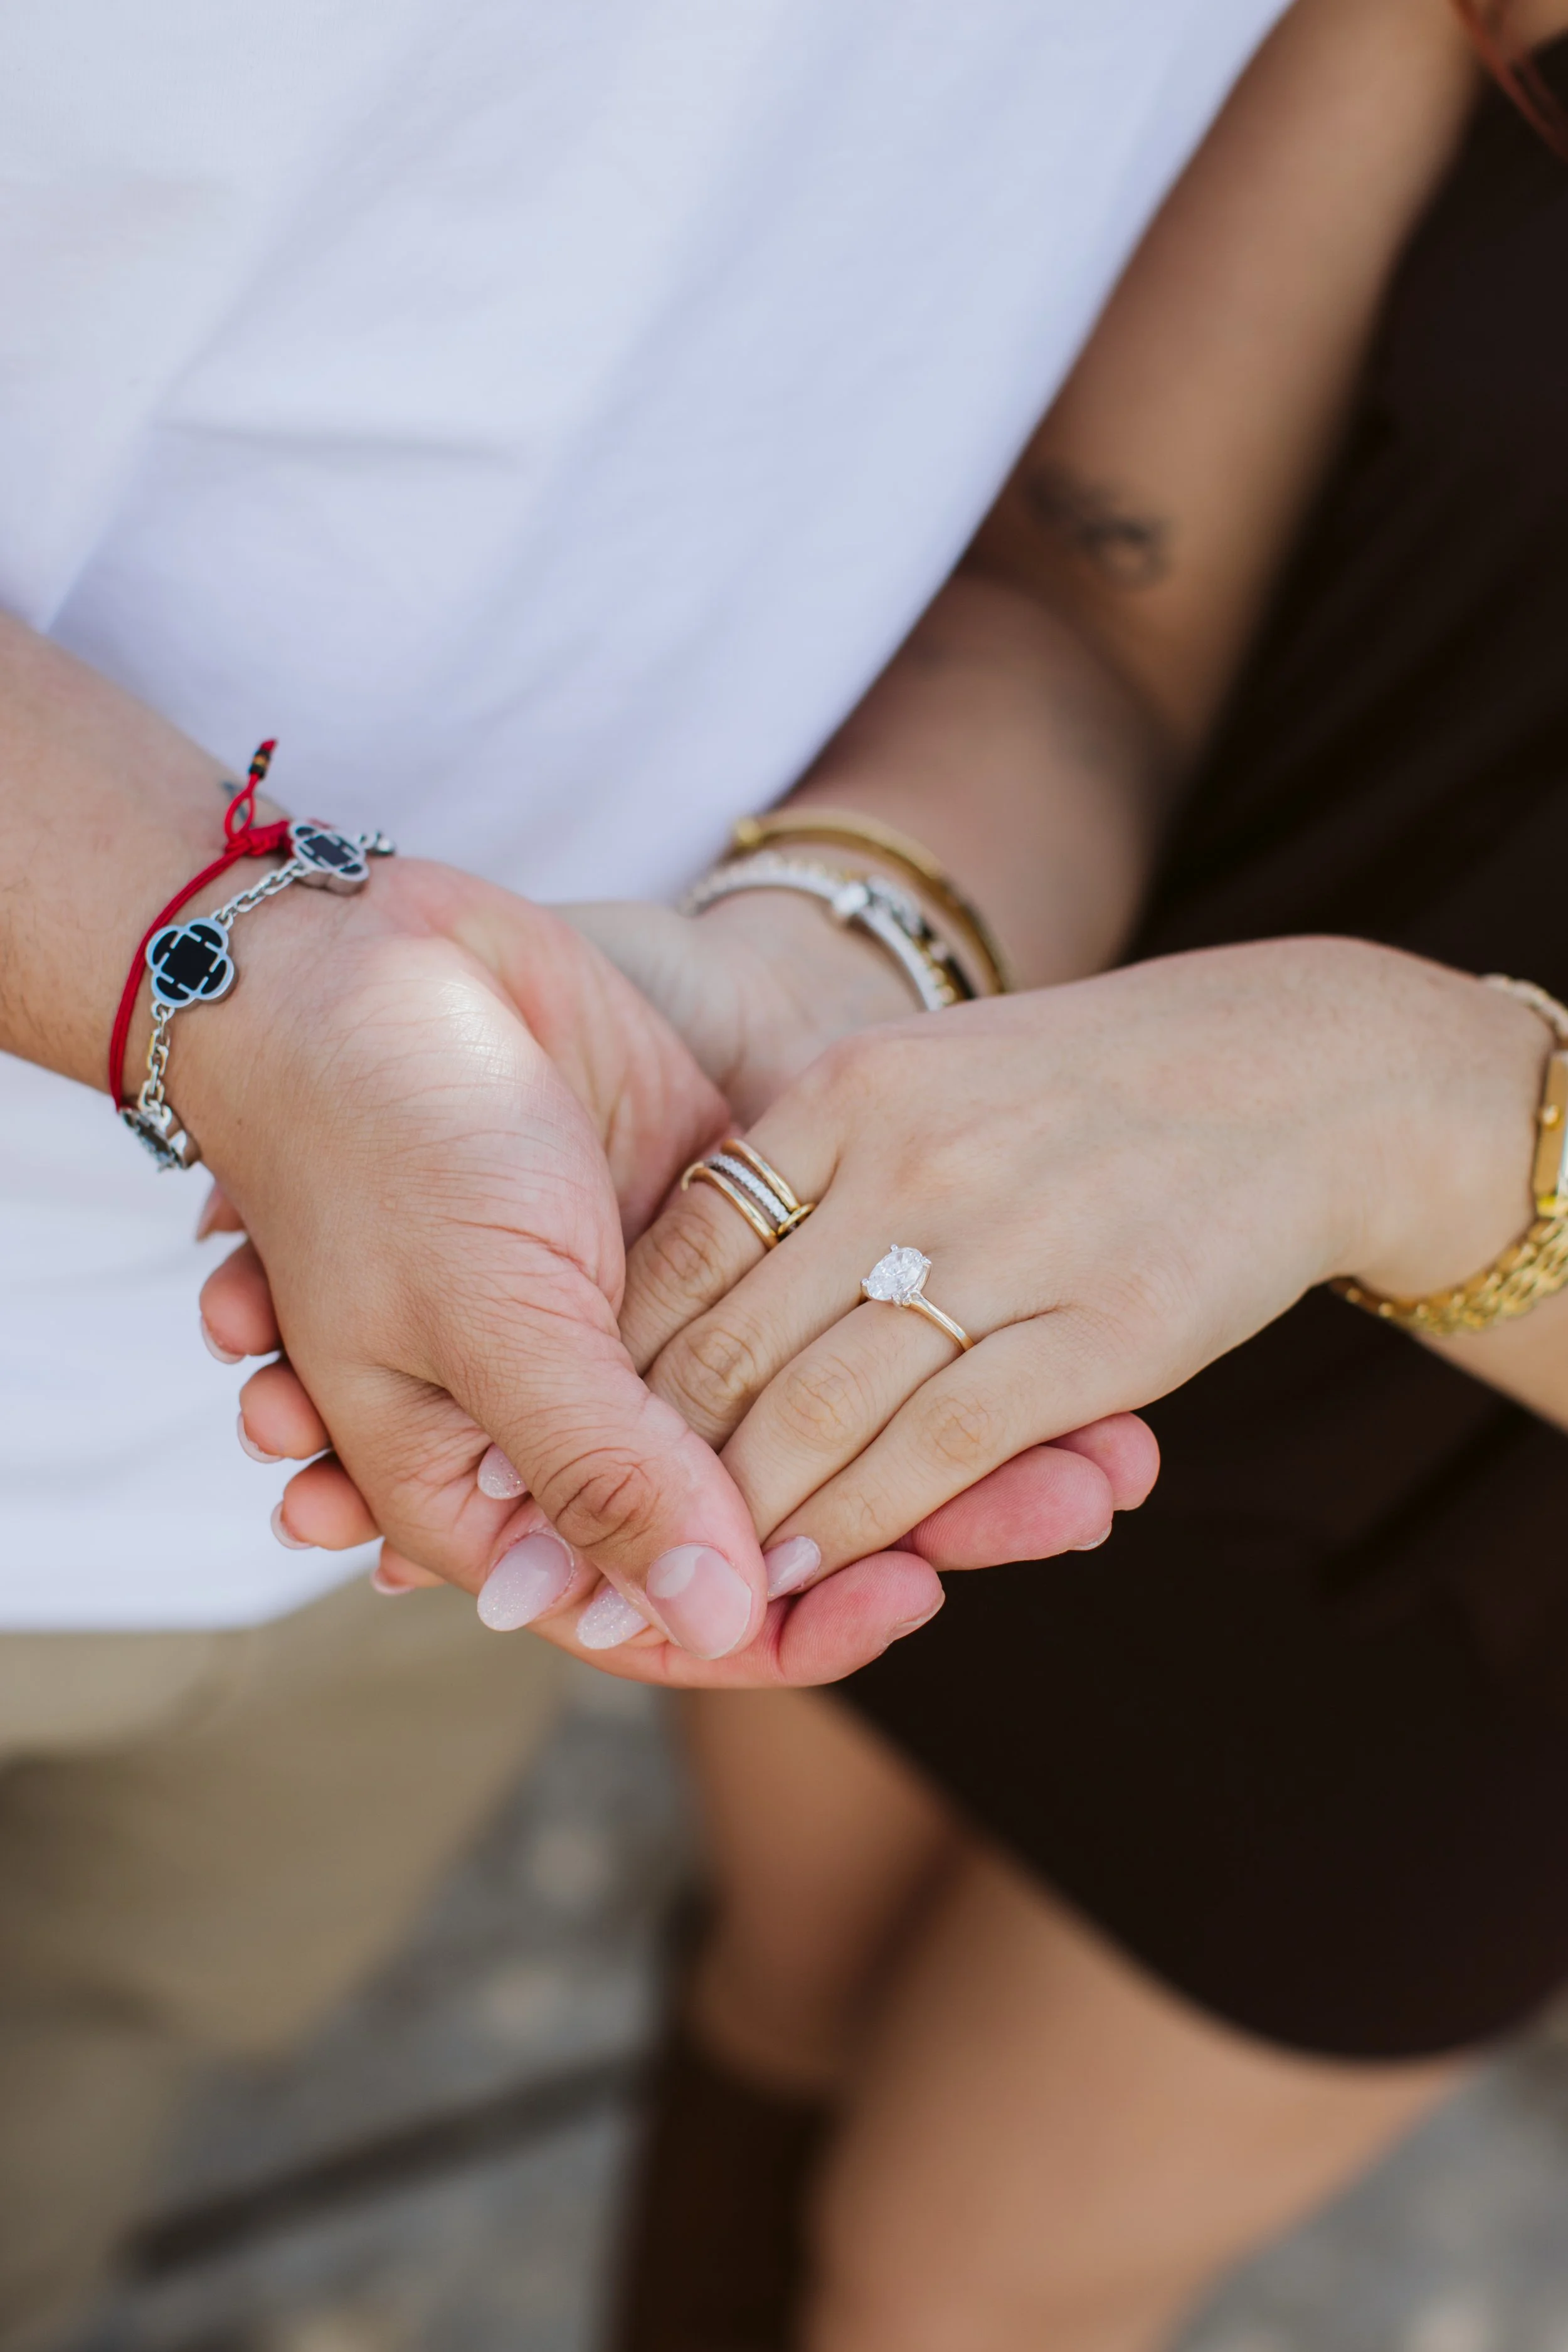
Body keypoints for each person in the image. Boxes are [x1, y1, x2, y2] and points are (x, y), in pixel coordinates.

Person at [0, 2, 1293, 2343]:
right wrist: (254, 982)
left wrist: (839, 968)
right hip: (422, 1312)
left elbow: (1091, 585)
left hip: (468, 1449)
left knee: (78, 2093)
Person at [575, 0, 1568, 2345]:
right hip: (1005, 1218)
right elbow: (1103, 604)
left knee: (958, 2284)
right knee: (779, 2001)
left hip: (1490, 1607)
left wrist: (1409, 1113)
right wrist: (848, 942)